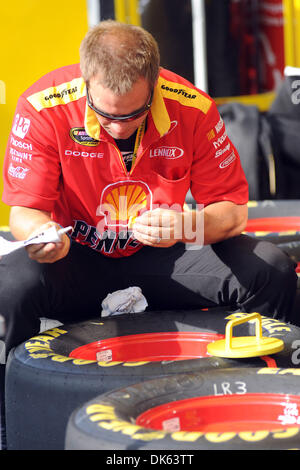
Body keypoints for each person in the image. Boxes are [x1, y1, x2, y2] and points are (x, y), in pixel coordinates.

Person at [0, 20, 297, 358]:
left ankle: (278, 389)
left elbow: (233, 211)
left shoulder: (193, 108)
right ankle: (10, 403)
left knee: (272, 268)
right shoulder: (42, 107)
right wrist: (43, 234)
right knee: (8, 284)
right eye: (105, 115)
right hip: (74, 258)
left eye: (134, 114)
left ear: (155, 82)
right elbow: (24, 211)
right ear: (86, 82)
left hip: (163, 257)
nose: (118, 128)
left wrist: (189, 226)